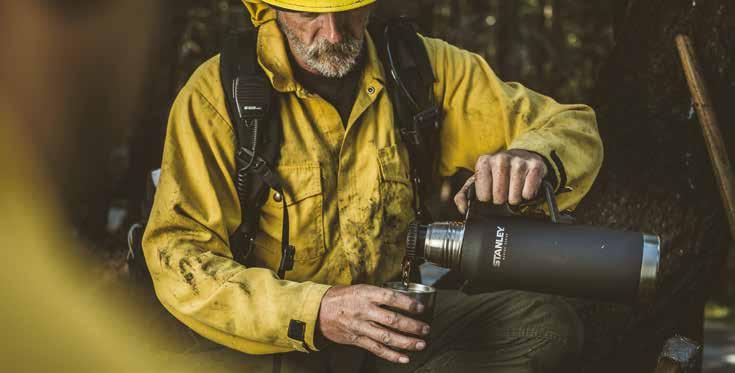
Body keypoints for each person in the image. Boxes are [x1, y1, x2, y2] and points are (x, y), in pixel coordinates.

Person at [142, 0, 603, 372]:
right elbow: (178, 254)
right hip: (273, 339)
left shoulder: (419, 68)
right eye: (309, 14)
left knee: (545, 325)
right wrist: (317, 309)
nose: (335, 33)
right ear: (270, 8)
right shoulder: (217, 94)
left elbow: (570, 125)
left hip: (392, 321)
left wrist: (534, 157)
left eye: (347, 9)